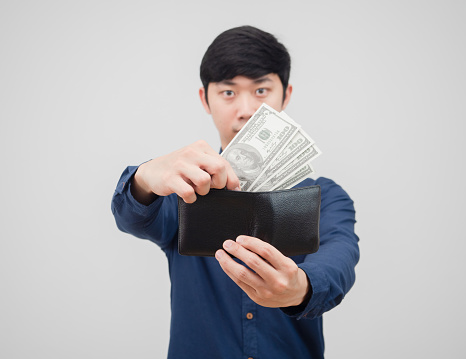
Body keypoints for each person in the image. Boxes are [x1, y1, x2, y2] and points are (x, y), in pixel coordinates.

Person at [111, 25, 359, 359]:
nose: (245, 109)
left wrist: (300, 287)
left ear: (285, 95)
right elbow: (132, 218)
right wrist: (144, 176)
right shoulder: (180, 191)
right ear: (205, 99)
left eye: (261, 91)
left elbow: (339, 259)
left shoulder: (325, 197)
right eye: (228, 92)